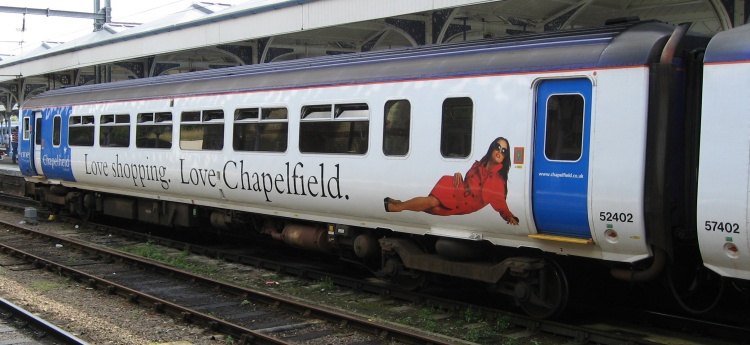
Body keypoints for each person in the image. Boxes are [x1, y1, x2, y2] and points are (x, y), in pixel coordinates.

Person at [384, 137, 519, 225]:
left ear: (505, 156)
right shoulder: (478, 164)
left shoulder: (498, 181)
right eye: (498, 146)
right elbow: (467, 180)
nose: (499, 151)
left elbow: (500, 204)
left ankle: (400, 204)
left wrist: (510, 217)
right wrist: (458, 174)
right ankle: (397, 208)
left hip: (462, 203)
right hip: (455, 188)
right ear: (492, 148)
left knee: (430, 208)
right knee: (430, 202)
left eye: (504, 151)